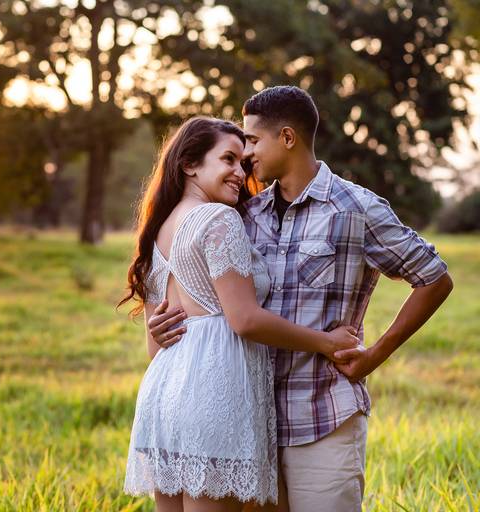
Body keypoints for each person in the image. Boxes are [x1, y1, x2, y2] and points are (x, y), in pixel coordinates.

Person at [147, 87, 454, 511]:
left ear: (287, 138)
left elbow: (434, 278)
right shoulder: (243, 213)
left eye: (252, 141)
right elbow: (209, 296)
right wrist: (165, 329)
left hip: (321, 415)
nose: (246, 155)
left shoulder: (355, 208)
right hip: (250, 420)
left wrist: (375, 354)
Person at [120, 116, 361, 511]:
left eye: (243, 164)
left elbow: (154, 348)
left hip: (164, 397)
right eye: (228, 160)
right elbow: (245, 320)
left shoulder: (158, 228)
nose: (240, 173)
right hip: (215, 396)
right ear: (190, 164)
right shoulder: (218, 219)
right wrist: (327, 342)